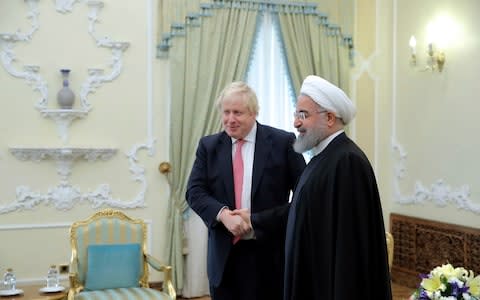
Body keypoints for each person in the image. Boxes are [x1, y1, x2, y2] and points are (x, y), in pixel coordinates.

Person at [243, 75, 392, 299]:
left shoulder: (347, 162)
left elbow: (348, 251)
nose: (296, 123)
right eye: (296, 114)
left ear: (330, 118)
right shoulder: (323, 158)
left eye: (303, 115)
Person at [186, 81, 306, 300]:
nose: (230, 119)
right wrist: (223, 215)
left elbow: (304, 198)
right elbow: (194, 192)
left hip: (268, 255)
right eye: (226, 112)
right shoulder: (209, 146)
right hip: (223, 257)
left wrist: (256, 220)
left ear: (254, 113)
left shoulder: (283, 142)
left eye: (238, 113)